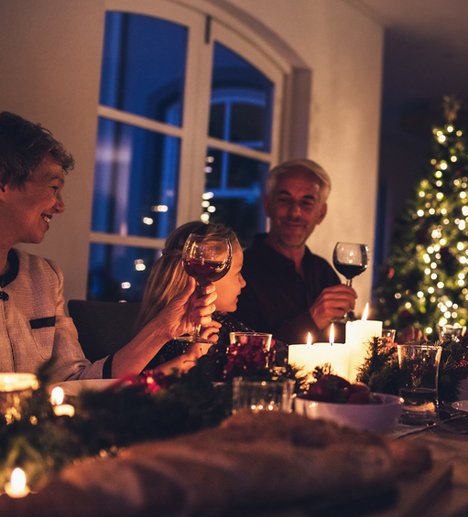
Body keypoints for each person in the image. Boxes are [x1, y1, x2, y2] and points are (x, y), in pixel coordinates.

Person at [0, 111, 214, 381]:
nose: (60, 205)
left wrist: (163, 329)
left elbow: (78, 382)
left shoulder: (44, 277)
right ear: (4, 182)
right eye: (53, 187)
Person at [236, 159, 356, 344]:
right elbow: (241, 356)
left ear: (321, 213)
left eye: (306, 203)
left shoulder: (323, 271)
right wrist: (312, 319)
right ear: (268, 206)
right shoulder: (241, 272)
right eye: (285, 200)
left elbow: (346, 343)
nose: (295, 213)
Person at [135, 221, 248, 375]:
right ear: (210, 275)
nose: (243, 282)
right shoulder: (174, 340)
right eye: (237, 273)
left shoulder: (225, 324)